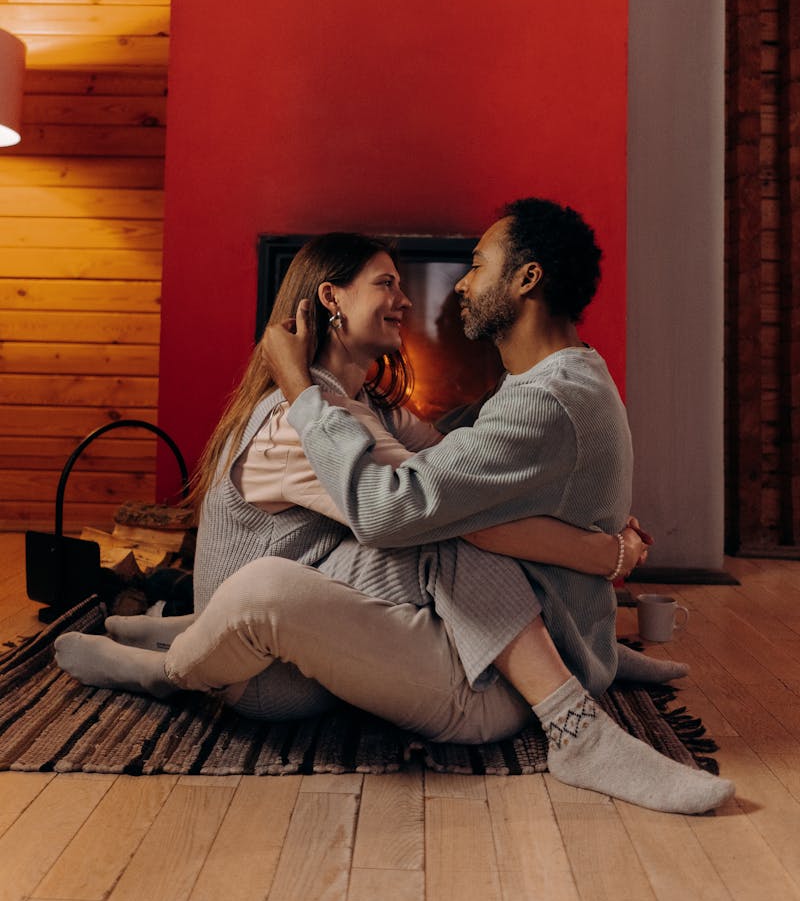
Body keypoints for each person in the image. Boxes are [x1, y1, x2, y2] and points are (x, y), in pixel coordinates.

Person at [56, 212, 733, 812]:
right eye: (386, 284)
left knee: (437, 518)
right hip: (271, 671)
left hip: (383, 639)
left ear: (526, 282)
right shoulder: (310, 419)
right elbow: (405, 506)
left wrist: (598, 557)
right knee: (418, 527)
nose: (424, 296)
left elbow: (440, 481)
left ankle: (581, 674)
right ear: (331, 300)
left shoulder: (391, 409)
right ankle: (172, 665)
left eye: (475, 265)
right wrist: (599, 554)